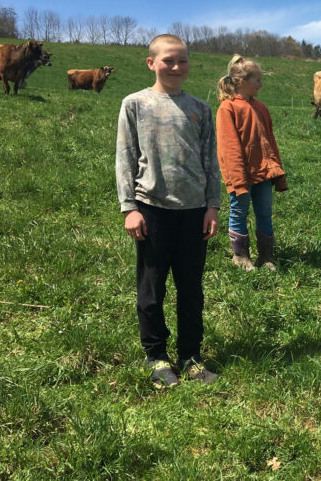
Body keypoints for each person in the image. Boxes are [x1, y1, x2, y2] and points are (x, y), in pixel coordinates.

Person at [116, 34, 221, 389]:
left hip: (194, 211)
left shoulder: (200, 109)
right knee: (152, 287)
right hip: (152, 210)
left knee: (191, 288)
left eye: (182, 61)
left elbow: (211, 161)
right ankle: (156, 355)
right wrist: (130, 207)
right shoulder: (135, 104)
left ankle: (190, 355)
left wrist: (213, 206)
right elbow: (125, 158)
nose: (176, 67)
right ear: (151, 63)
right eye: (168, 60)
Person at [215, 55, 288, 272]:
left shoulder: (262, 108)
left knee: (264, 212)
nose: (261, 84)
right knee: (239, 211)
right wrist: (237, 178)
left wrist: (277, 170)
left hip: (264, 172)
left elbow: (270, 142)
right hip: (241, 175)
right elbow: (228, 148)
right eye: (257, 79)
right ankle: (240, 256)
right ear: (241, 81)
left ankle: (265, 257)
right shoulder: (227, 108)